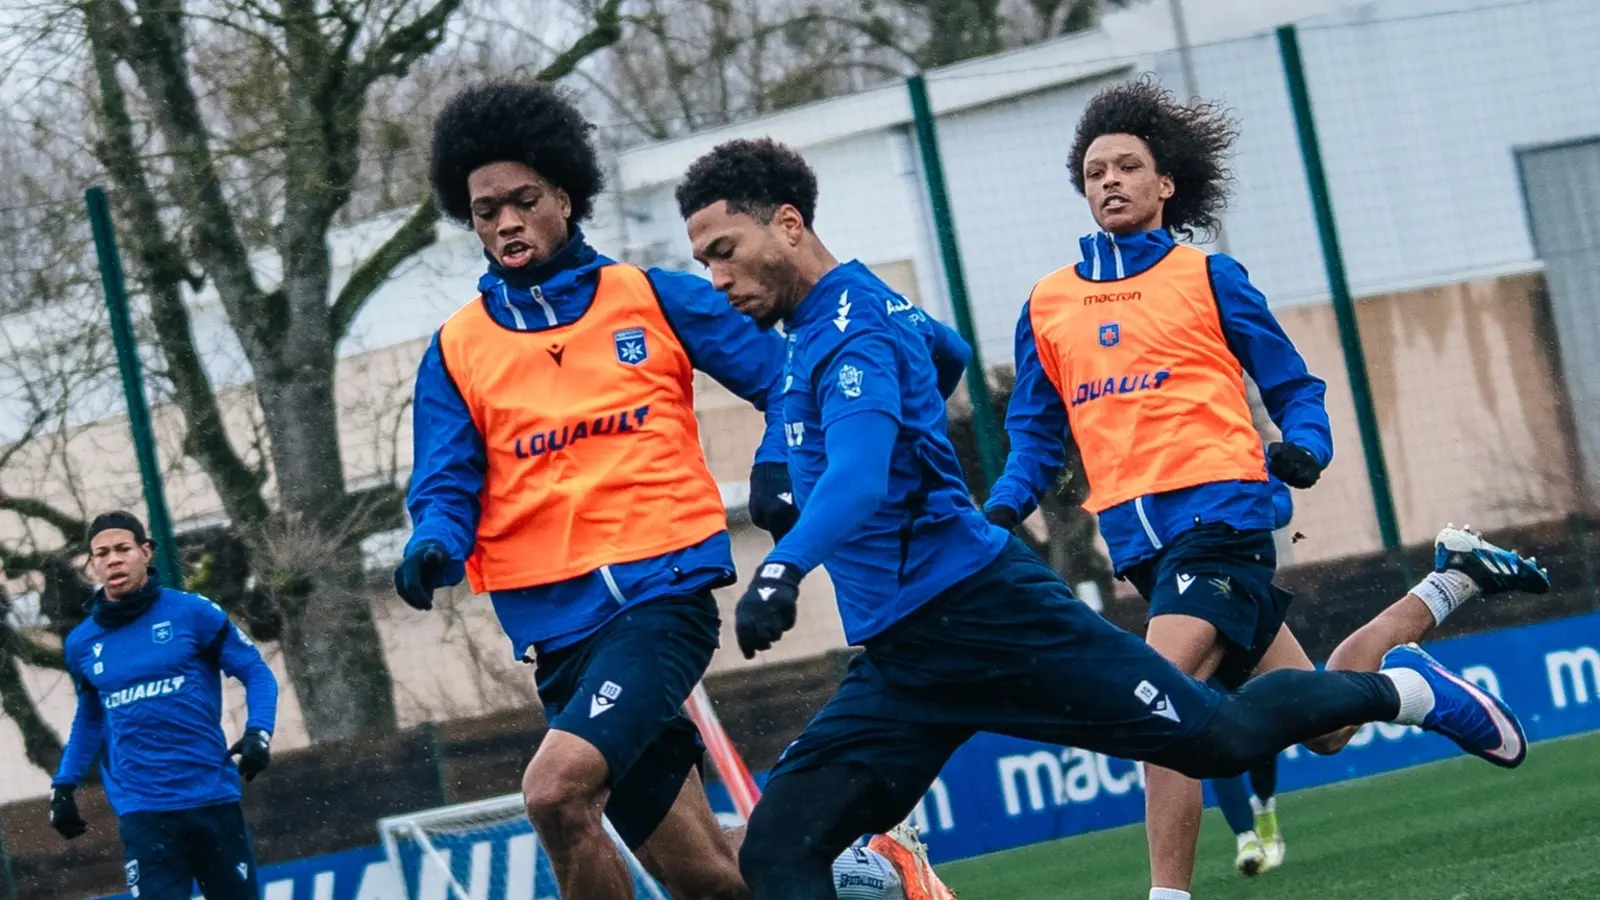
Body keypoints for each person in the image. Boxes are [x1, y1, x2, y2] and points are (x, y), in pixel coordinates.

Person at [672, 136, 1536, 900]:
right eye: (704, 260)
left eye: (725, 252)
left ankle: (1403, 693)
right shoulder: (866, 319)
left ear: (789, 225)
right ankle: (1420, 630)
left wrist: (783, 567)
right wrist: (938, 458)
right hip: (910, 651)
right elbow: (952, 359)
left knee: (1213, 737)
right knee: (778, 849)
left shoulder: (858, 329)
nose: (716, 278)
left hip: (1030, 596)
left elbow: (860, 478)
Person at [981, 75, 1551, 900]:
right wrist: (1003, 507)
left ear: (1165, 183)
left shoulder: (1207, 276)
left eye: (1128, 166)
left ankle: (1167, 895)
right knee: (1328, 729)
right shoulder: (1046, 303)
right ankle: (1441, 601)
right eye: (1095, 170)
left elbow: (1295, 386)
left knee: (1155, 699)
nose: (1109, 181)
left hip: (1223, 516)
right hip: (1143, 549)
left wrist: (1305, 447)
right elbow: (1036, 435)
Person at [397, 80, 954, 900]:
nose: (507, 222)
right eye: (487, 212)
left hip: (660, 602)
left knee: (555, 794)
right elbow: (445, 481)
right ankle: (877, 876)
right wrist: (431, 541)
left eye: (524, 201)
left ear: (564, 197)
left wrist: (777, 462)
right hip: (555, 633)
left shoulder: (651, 296)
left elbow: (792, 381)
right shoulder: (456, 348)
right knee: (708, 880)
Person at [50, 511, 278, 900]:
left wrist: (259, 731)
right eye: (102, 553)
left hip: (211, 797)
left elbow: (256, 672)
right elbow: (90, 717)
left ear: (146, 552)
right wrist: (64, 785)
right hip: (143, 812)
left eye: (123, 549)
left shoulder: (192, 613)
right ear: (93, 565)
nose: (113, 560)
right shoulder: (81, 643)